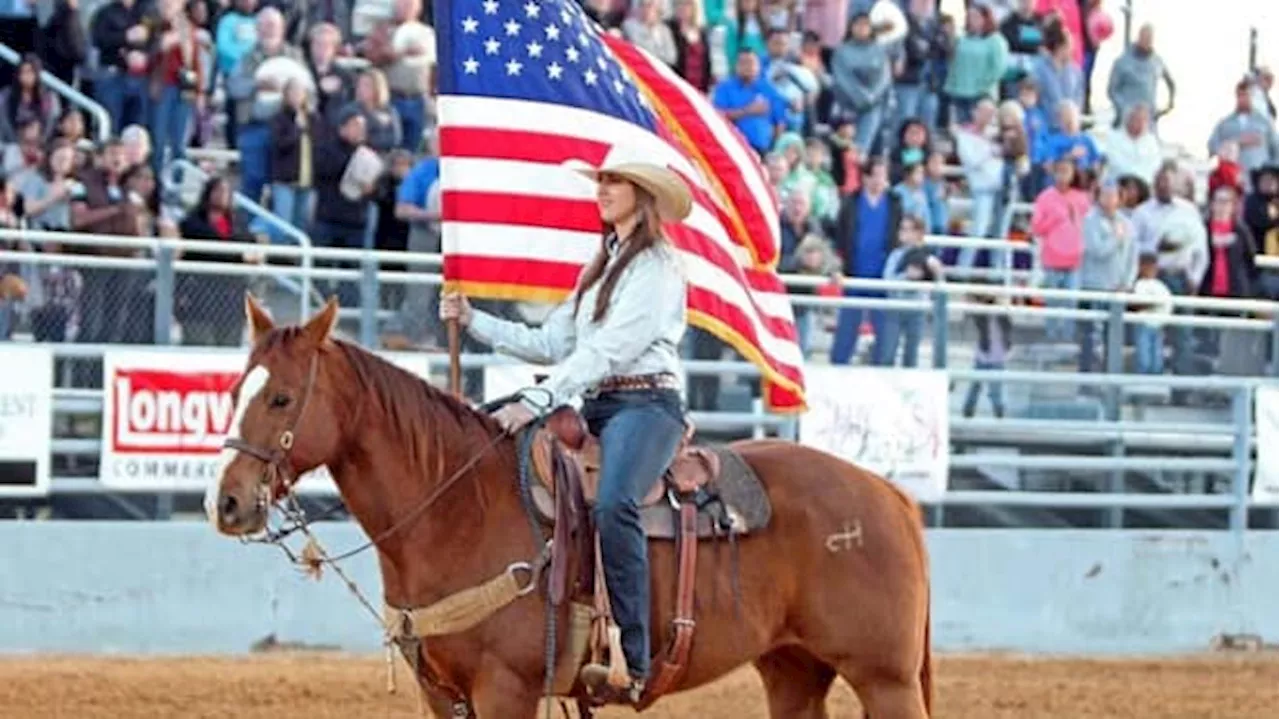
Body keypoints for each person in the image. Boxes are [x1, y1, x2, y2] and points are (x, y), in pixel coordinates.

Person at [439, 148, 692, 705]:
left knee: (614, 503)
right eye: (599, 180)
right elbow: (554, 342)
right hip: (600, 404)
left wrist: (537, 399)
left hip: (647, 405)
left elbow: (607, 350)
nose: (601, 189)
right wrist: (474, 319)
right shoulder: (600, 265)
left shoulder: (657, 268)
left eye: (614, 181)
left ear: (641, 196)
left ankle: (633, 653)